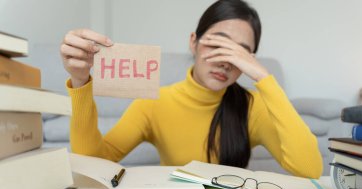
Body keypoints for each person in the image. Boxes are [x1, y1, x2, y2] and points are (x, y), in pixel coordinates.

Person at [60, 0, 322, 178]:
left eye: (240, 53)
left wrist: (264, 77)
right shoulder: (155, 103)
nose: (225, 60)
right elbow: (93, 164)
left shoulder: (253, 105)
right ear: (193, 42)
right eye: (218, 44)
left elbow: (309, 169)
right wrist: (81, 82)